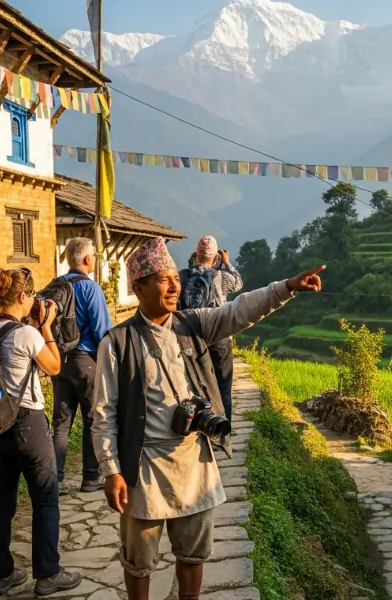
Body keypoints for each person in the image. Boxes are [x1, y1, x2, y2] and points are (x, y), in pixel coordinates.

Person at [92, 236, 323, 600]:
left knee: (193, 555)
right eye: (162, 279)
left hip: (194, 463)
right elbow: (103, 412)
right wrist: (111, 469)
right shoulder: (117, 343)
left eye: (174, 278)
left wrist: (287, 288)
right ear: (138, 288)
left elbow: (239, 310)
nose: (173, 285)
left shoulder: (192, 325)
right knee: (138, 561)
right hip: (145, 467)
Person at [0, 267, 82, 597]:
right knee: (46, 498)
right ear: (24, 297)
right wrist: (47, 327)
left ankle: (2, 575)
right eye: (33, 296)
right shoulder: (27, 334)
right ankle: (48, 573)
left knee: (1, 500)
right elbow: (54, 366)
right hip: (28, 424)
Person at [53, 237, 112, 495]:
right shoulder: (91, 289)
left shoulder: (54, 287)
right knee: (91, 419)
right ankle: (90, 477)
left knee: (61, 421)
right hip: (85, 360)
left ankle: (54, 480)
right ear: (87, 259)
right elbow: (101, 331)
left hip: (58, 360)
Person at [179, 235, 243, 421]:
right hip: (219, 337)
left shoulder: (181, 277)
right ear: (215, 257)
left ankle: (194, 426)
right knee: (223, 385)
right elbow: (238, 281)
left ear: (195, 255)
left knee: (191, 384)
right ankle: (223, 430)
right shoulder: (221, 277)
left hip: (188, 338)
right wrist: (226, 263)